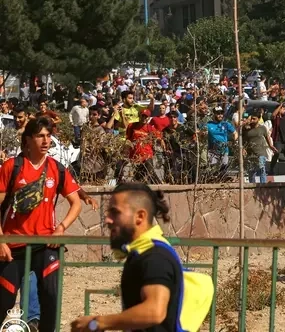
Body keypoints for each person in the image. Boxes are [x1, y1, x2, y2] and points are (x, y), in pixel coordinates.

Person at [0, 117, 84, 332]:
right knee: (4, 302)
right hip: (13, 246)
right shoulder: (13, 166)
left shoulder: (57, 168)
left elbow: (75, 203)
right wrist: (1, 240)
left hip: (47, 244)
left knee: (51, 297)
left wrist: (61, 228)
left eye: (48, 136)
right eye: (40, 136)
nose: (46, 141)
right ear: (28, 140)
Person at [70, 183, 182, 332]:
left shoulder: (155, 257)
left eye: (115, 213)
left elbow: (154, 312)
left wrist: (97, 323)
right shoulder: (141, 254)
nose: (108, 220)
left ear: (140, 217)